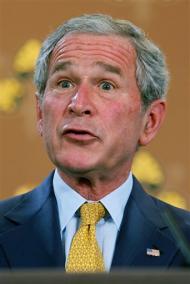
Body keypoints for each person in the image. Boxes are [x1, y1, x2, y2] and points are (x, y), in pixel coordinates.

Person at [0, 13, 190, 271]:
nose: (78, 104)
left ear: (150, 121)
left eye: (106, 85)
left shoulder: (184, 241)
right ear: (40, 113)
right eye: (64, 82)